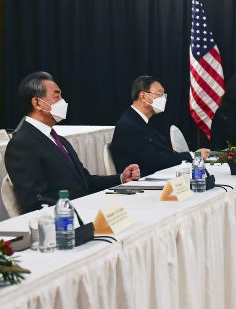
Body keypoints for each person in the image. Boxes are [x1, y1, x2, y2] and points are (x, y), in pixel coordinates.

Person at [4, 72, 140, 213]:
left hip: (83, 213)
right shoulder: (22, 144)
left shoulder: (58, 139)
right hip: (65, 222)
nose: (62, 101)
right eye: (56, 96)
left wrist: (121, 178)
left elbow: (85, 181)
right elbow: (36, 202)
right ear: (37, 103)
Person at [110, 76, 210, 177]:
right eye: (159, 94)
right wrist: (192, 155)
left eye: (164, 95)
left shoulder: (141, 121)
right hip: (139, 184)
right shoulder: (129, 125)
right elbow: (155, 160)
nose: (163, 99)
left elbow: (164, 152)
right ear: (143, 96)